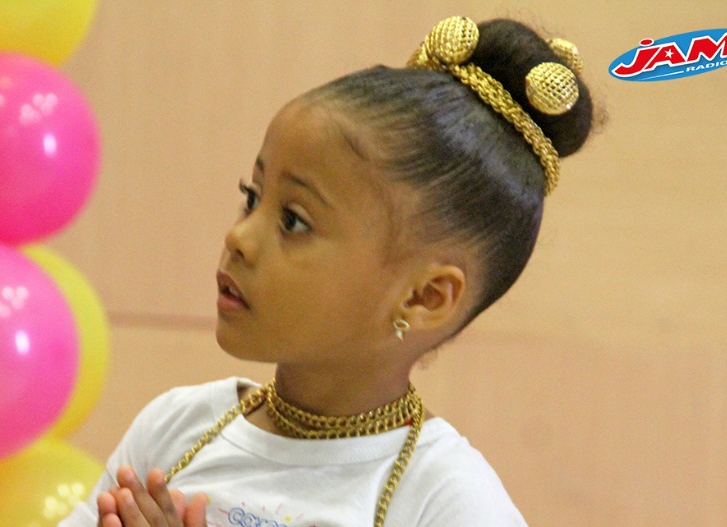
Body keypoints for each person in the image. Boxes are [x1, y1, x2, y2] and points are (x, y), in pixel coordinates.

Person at [60, 14, 594, 527]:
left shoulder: (446, 500)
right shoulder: (176, 429)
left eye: (293, 221)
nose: (239, 237)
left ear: (425, 297)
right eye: (252, 197)